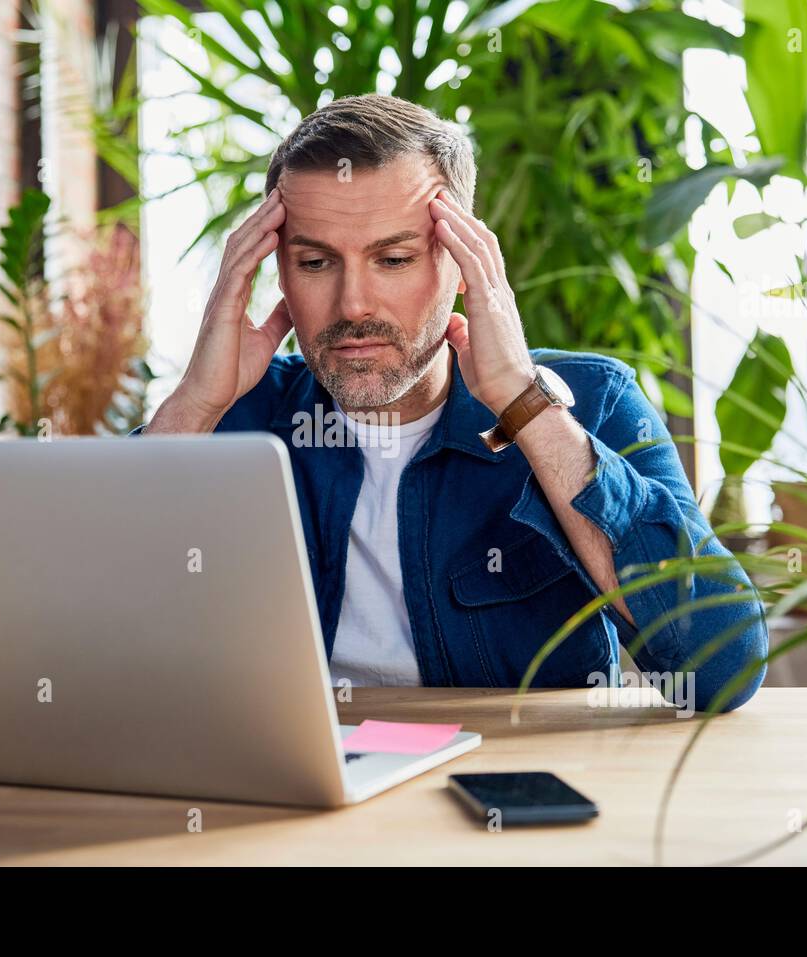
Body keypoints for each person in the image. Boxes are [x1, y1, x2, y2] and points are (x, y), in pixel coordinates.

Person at [134, 93, 767, 713]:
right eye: (317, 261)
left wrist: (524, 404)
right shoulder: (231, 418)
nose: (354, 305)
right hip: (292, 788)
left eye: (394, 258)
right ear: (277, 272)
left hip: (504, 784)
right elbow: (74, 637)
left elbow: (721, 668)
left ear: (465, 265)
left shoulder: (591, 402)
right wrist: (194, 403)